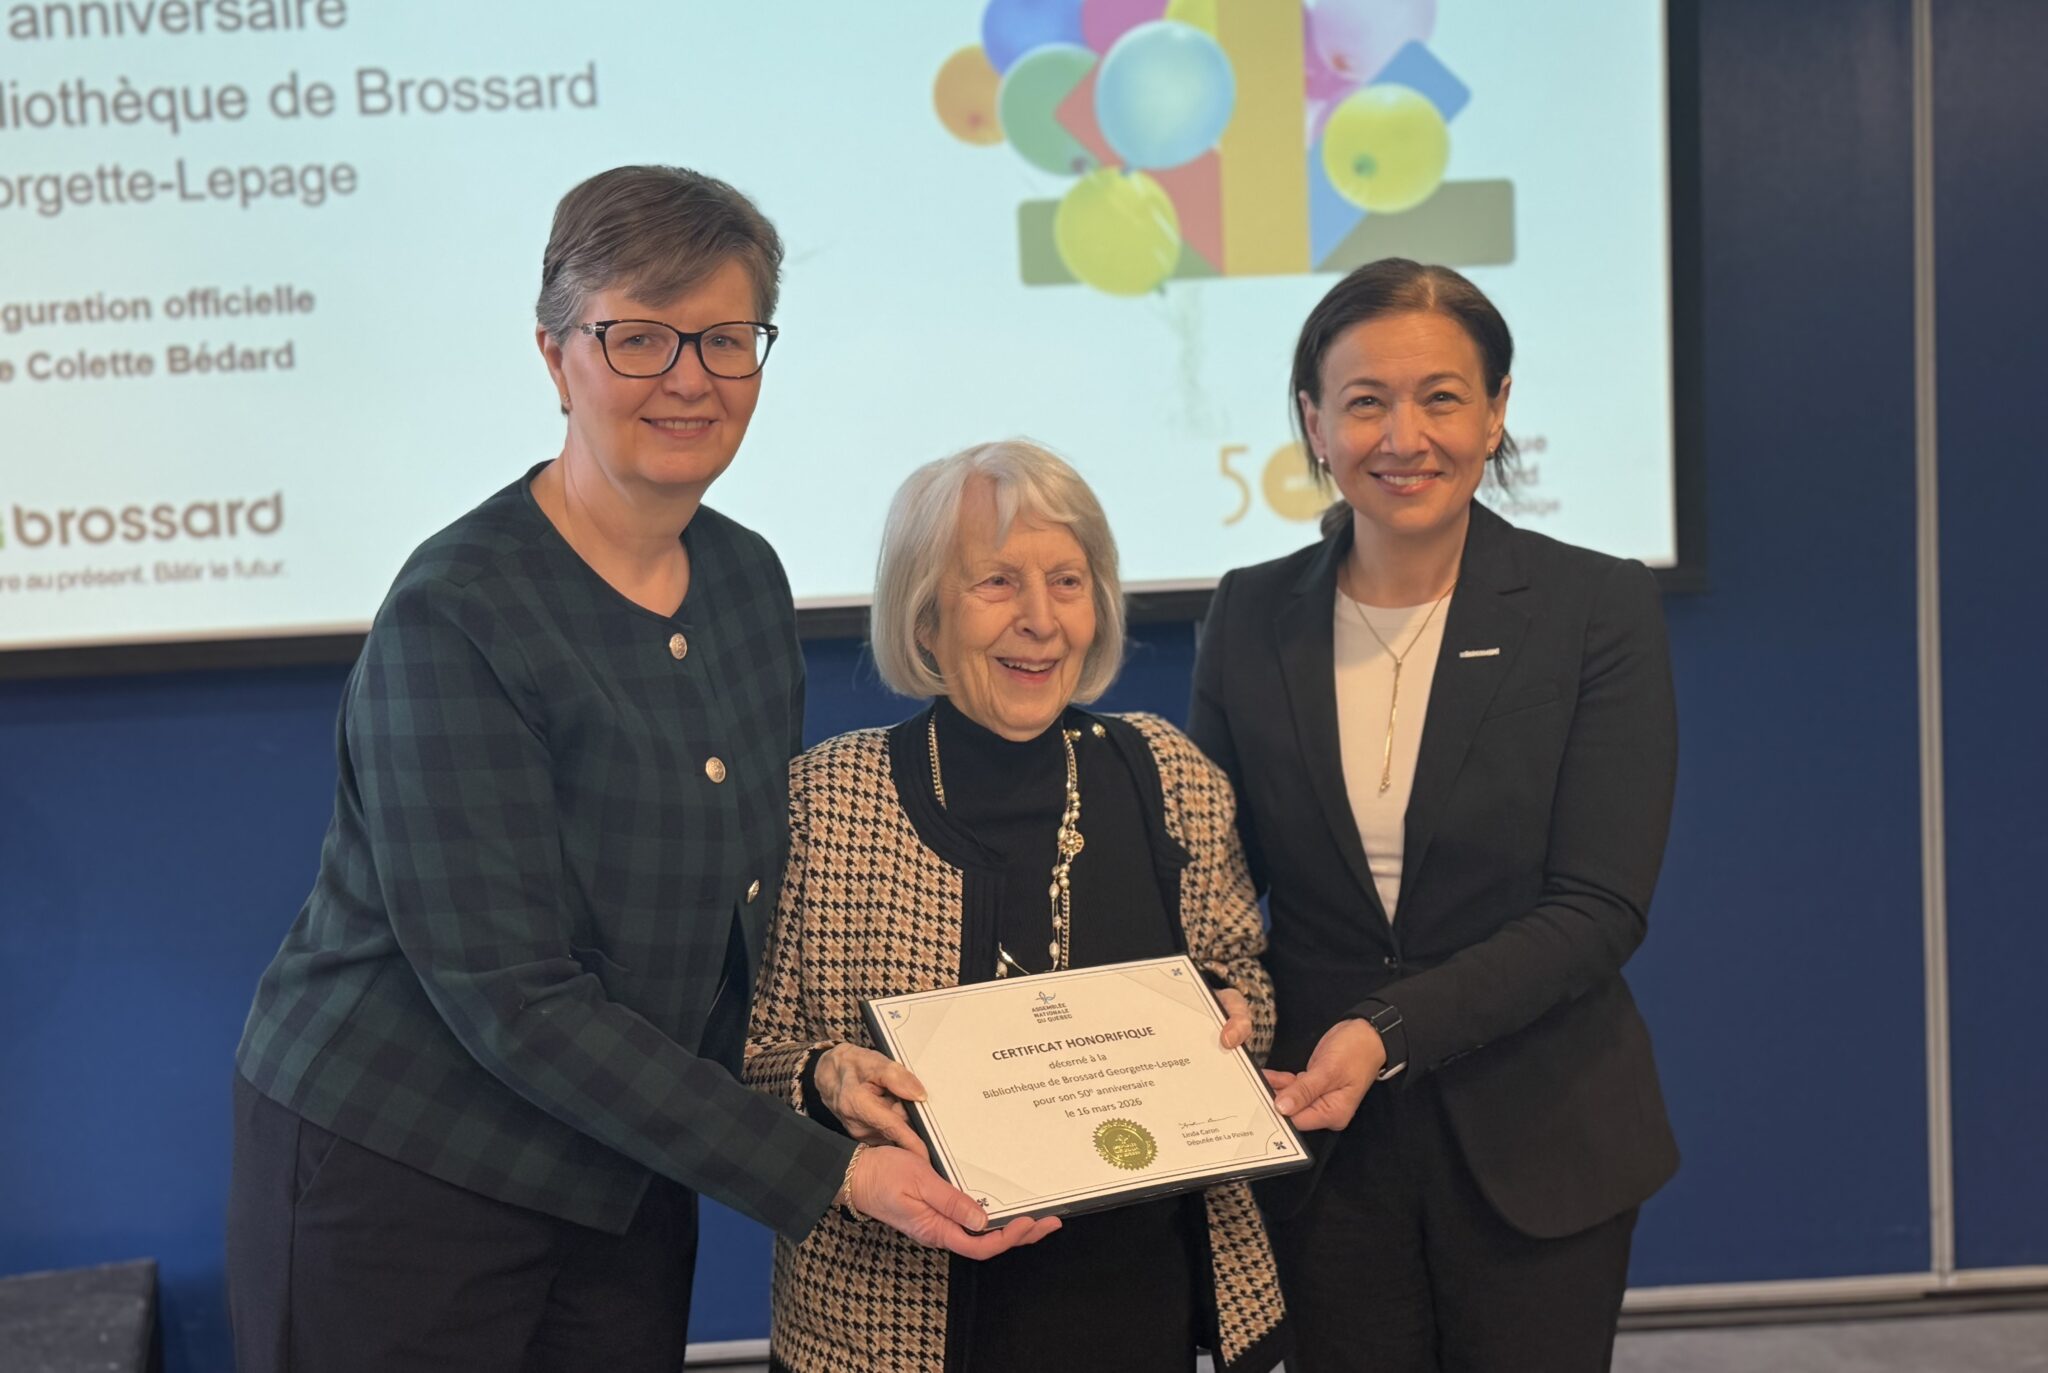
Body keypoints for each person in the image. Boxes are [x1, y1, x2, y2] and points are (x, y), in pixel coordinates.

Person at [224, 166, 1050, 1373]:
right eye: (639, 336)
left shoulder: (746, 581)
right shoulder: (458, 611)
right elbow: (512, 997)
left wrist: (820, 1071)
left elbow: (729, 931)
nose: (689, 376)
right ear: (555, 356)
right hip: (403, 1169)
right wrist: (827, 1169)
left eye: (726, 338)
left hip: (621, 1165)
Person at [1190, 259, 1679, 1372]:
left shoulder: (1593, 606)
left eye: (1441, 397)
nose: (1402, 436)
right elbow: (1212, 880)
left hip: (1537, 1136)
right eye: (1364, 400)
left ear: (1496, 412)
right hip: (1320, 1139)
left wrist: (1387, 1030)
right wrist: (1212, 990)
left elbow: (1599, 905)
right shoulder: (1250, 613)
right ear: (1314, 422)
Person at [743, 440, 1292, 1373]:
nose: (1040, 619)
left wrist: (1234, 1014)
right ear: (927, 616)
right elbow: (747, 1050)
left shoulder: (1168, 774)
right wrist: (825, 1077)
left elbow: (1246, 976)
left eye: (1067, 581)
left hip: (1135, 1309)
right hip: (891, 1327)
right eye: (997, 581)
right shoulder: (824, 802)